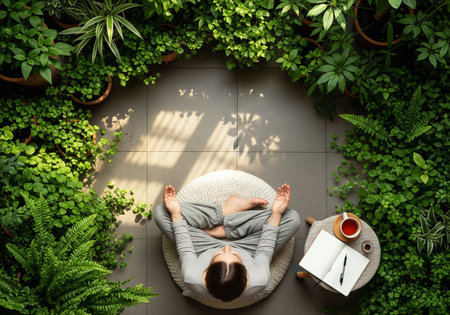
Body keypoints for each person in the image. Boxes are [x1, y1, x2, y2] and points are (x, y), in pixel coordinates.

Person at [154, 183, 300, 304]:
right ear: (246, 272)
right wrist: (276, 213)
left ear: (206, 270)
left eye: (219, 255)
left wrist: (175, 213)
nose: (227, 247)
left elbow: (185, 247)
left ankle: (225, 213)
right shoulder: (260, 277)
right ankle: (226, 223)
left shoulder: (191, 275)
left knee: (163, 212)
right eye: (235, 255)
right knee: (292, 218)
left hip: (203, 248)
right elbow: (265, 250)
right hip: (250, 250)